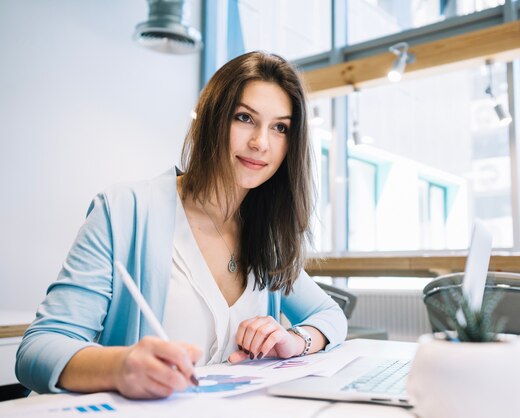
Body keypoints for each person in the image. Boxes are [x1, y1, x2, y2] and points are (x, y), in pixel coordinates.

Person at [16, 51, 347, 399]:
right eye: (244, 118)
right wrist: (120, 366)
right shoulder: (124, 210)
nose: (260, 143)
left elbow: (329, 314)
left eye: (280, 127)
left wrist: (295, 340)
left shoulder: (266, 236)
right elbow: (38, 349)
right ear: (212, 120)